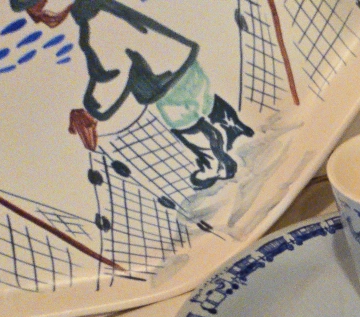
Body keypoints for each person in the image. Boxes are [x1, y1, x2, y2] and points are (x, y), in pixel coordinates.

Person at [14, 0, 253, 189]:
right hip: (182, 61)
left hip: (164, 82)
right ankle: (234, 128)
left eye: (37, 7)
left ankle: (216, 163)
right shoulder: (102, 7)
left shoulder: (95, 24)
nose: (37, 17)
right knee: (204, 101)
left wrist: (92, 112)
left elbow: (113, 73)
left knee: (185, 123)